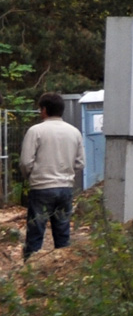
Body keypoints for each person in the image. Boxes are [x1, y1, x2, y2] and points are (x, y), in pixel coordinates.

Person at [19, 93, 81, 259]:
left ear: (44, 110)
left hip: (41, 187)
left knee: (36, 232)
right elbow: (80, 162)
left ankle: (30, 271)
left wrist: (30, 177)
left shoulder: (36, 131)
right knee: (62, 232)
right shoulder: (74, 132)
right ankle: (63, 270)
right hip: (65, 188)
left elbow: (25, 162)